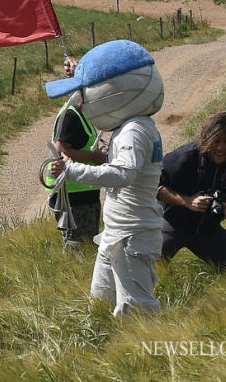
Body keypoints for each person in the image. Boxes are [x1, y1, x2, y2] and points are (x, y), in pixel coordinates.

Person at [47, 40, 165, 317]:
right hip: (116, 234)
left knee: (136, 308)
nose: (82, 103)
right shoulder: (131, 125)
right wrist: (82, 76)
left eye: (85, 95)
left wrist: (71, 169)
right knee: (99, 304)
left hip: (131, 235)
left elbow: (124, 174)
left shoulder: (134, 130)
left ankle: (148, 356)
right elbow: (108, 90)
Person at [158, 111, 226, 271]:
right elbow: (155, 186)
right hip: (171, 223)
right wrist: (187, 202)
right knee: (146, 272)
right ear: (206, 139)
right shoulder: (185, 156)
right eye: (216, 141)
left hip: (208, 230)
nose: (220, 147)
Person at [45, 57, 106, 250]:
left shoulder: (83, 114)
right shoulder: (71, 115)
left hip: (83, 189)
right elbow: (62, 152)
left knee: (87, 245)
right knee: (79, 247)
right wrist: (95, 157)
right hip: (72, 194)